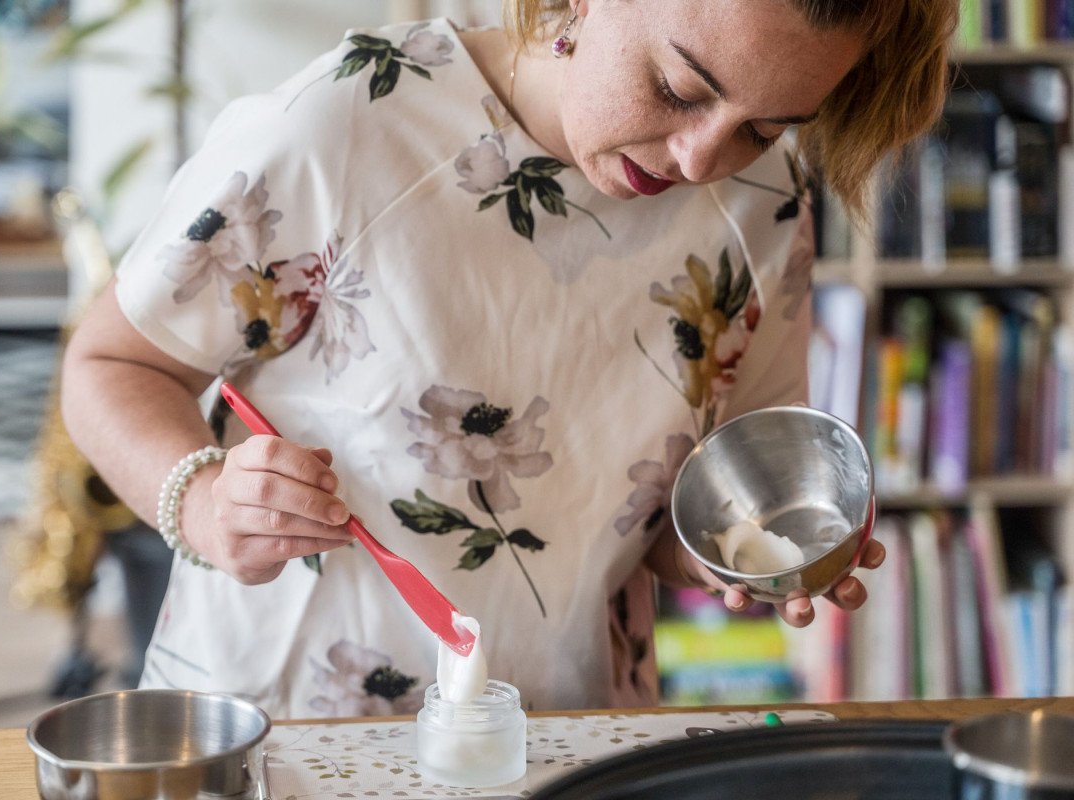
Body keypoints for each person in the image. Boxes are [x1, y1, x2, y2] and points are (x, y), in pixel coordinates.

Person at [62, 0, 956, 716]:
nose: (699, 157)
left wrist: (743, 555)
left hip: (565, 730)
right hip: (294, 722)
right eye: (679, 87)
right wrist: (204, 503)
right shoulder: (350, 124)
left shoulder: (764, 204)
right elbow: (112, 365)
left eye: (763, 128)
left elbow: (685, 517)